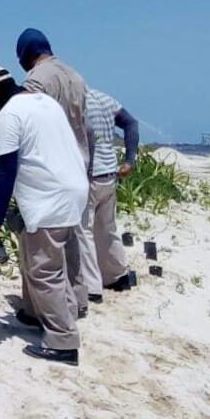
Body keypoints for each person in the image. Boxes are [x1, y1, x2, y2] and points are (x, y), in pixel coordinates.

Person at [0, 67, 88, 365]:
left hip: (48, 199)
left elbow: (6, 170)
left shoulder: (9, 115)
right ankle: (39, 316)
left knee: (43, 270)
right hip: (74, 190)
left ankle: (63, 341)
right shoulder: (45, 102)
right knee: (52, 264)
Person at [16, 28, 93, 317]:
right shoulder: (76, 76)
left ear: (26, 53)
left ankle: (41, 311)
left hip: (49, 169)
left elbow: (28, 119)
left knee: (40, 250)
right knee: (71, 240)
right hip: (78, 167)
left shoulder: (38, 78)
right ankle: (78, 300)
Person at [83, 88, 141, 299]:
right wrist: (130, 160)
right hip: (110, 172)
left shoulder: (72, 100)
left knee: (84, 231)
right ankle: (117, 276)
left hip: (88, 174)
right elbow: (131, 123)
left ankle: (91, 287)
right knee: (107, 228)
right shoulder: (103, 99)